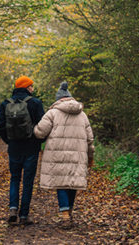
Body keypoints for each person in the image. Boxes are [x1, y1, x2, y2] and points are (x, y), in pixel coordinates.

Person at [34, 81, 94, 228]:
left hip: (57, 155)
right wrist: (90, 156)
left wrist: (34, 128)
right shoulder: (83, 115)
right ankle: (69, 212)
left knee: (61, 183)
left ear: (58, 99)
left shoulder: (52, 113)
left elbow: (40, 132)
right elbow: (90, 138)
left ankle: (65, 214)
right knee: (72, 183)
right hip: (77, 156)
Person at [0, 76, 45, 225]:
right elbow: (43, 126)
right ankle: (24, 216)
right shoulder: (35, 103)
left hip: (14, 148)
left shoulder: (6, 104)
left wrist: (9, 140)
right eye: (32, 86)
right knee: (28, 182)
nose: (33, 89)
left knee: (15, 178)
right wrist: (39, 141)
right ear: (28, 87)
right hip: (31, 148)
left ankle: (12, 209)